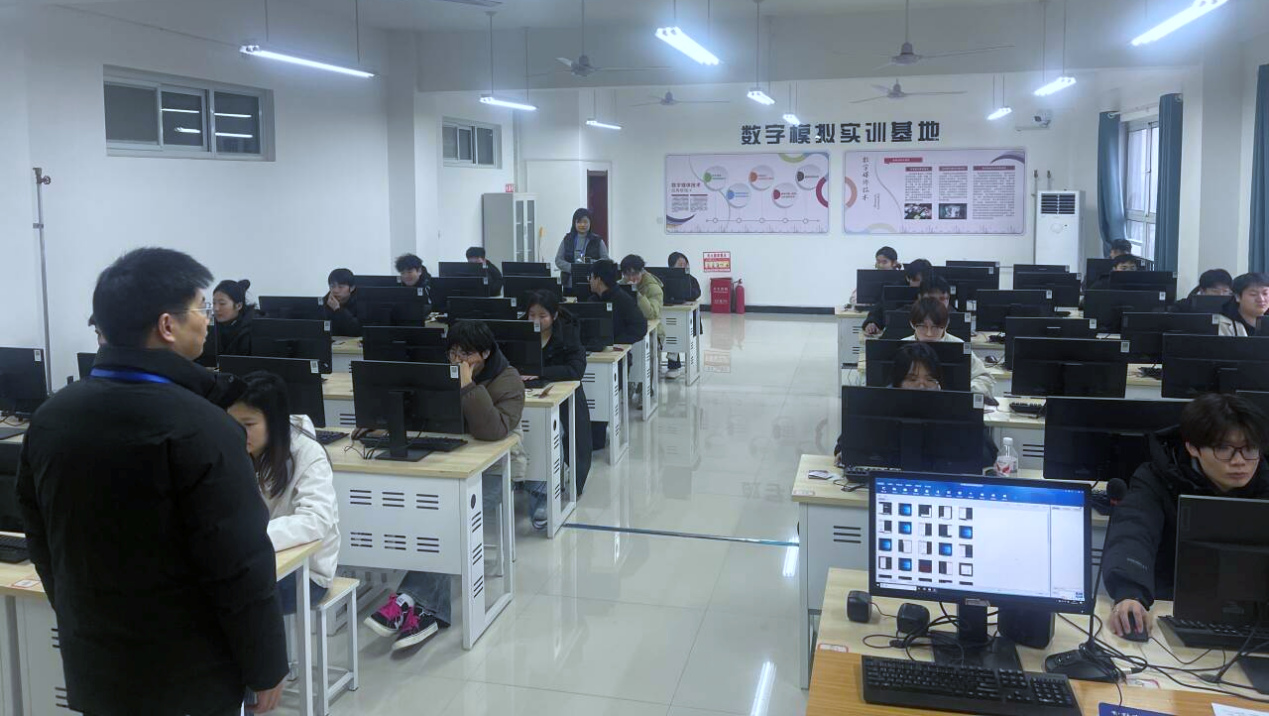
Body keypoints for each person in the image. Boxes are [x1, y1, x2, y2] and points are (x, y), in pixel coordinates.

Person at [16, 248, 287, 715]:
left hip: (96, 661)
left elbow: (39, 535)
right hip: (189, 674)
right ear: (167, 326)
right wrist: (266, 665)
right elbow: (240, 564)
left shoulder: (51, 417)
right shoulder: (205, 427)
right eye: (200, 308)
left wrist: (81, 616)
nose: (207, 320)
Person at [365, 320, 525, 651]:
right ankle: (425, 609)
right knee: (422, 515)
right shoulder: (441, 371)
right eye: (452, 352)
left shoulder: (508, 380)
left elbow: (493, 431)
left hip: (493, 471)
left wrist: (467, 387)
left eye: (465, 354)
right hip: (446, 465)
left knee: (448, 520)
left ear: (485, 353)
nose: (456, 359)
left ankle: (411, 599)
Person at [1103, 393, 1269, 639]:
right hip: (1170, 609)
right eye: (1224, 449)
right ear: (1192, 447)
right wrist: (1130, 593)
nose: (1239, 461)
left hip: (1257, 620)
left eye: (1249, 449)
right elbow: (1134, 530)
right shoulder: (1156, 478)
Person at [228, 372, 340, 615]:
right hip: (250, 561)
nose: (238, 432)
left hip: (305, 573)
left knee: (228, 599)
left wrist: (251, 536)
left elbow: (315, 520)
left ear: (274, 421)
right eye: (232, 424)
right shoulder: (233, 449)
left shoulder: (307, 453)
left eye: (248, 425)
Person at [522, 289, 594, 521]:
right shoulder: (519, 332)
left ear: (554, 316)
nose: (535, 320)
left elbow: (575, 370)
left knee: (554, 435)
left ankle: (547, 492)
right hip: (526, 395)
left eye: (542, 316)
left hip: (564, 399)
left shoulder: (568, 333)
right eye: (531, 315)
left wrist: (539, 372)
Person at [860, 298, 994, 399]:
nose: (929, 333)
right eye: (922, 326)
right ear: (912, 324)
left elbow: (985, 378)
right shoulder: (903, 347)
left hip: (950, 405)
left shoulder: (958, 346)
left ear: (946, 325)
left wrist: (964, 391)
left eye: (935, 327)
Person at [863, 258, 930, 336]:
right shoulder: (894, 290)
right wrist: (872, 322)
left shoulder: (935, 292)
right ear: (908, 278)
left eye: (923, 281)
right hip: (898, 333)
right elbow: (877, 310)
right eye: (916, 280)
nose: (920, 284)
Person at [588, 258, 647, 345]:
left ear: (598, 280)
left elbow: (640, 328)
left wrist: (615, 340)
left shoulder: (623, 300)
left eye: (591, 277)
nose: (590, 281)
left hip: (618, 350)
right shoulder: (592, 300)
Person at [666, 252, 702, 376]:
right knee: (669, 331)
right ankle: (672, 364)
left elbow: (696, 293)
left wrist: (684, 290)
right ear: (671, 267)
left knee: (675, 332)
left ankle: (673, 366)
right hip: (670, 315)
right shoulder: (665, 279)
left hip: (687, 317)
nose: (684, 267)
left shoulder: (691, 279)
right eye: (680, 265)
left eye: (685, 264)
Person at [554, 208, 610, 288]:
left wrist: (589, 264)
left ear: (590, 223)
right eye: (579, 222)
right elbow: (558, 260)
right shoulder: (567, 239)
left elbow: (606, 261)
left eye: (585, 222)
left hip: (592, 284)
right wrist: (573, 268)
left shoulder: (597, 240)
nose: (582, 225)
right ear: (574, 223)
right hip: (569, 284)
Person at [620, 254, 664, 345]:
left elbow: (652, 314)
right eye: (627, 274)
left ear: (642, 272)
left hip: (653, 333)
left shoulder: (653, 287)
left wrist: (636, 293)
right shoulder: (620, 286)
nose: (631, 278)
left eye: (634, 274)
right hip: (628, 329)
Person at [211, 278, 257, 357]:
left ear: (238, 306)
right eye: (214, 303)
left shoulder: (253, 329)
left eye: (222, 303)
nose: (216, 308)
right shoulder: (210, 326)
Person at [1217, 272, 1269, 337]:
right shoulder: (1221, 324)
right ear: (1238, 297)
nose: (1261, 299)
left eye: (1265, 293)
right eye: (1253, 294)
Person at [323, 267, 363, 337]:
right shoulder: (326, 301)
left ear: (352, 288)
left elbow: (357, 331)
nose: (336, 290)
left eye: (340, 287)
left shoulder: (361, 302)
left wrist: (338, 310)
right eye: (332, 286)